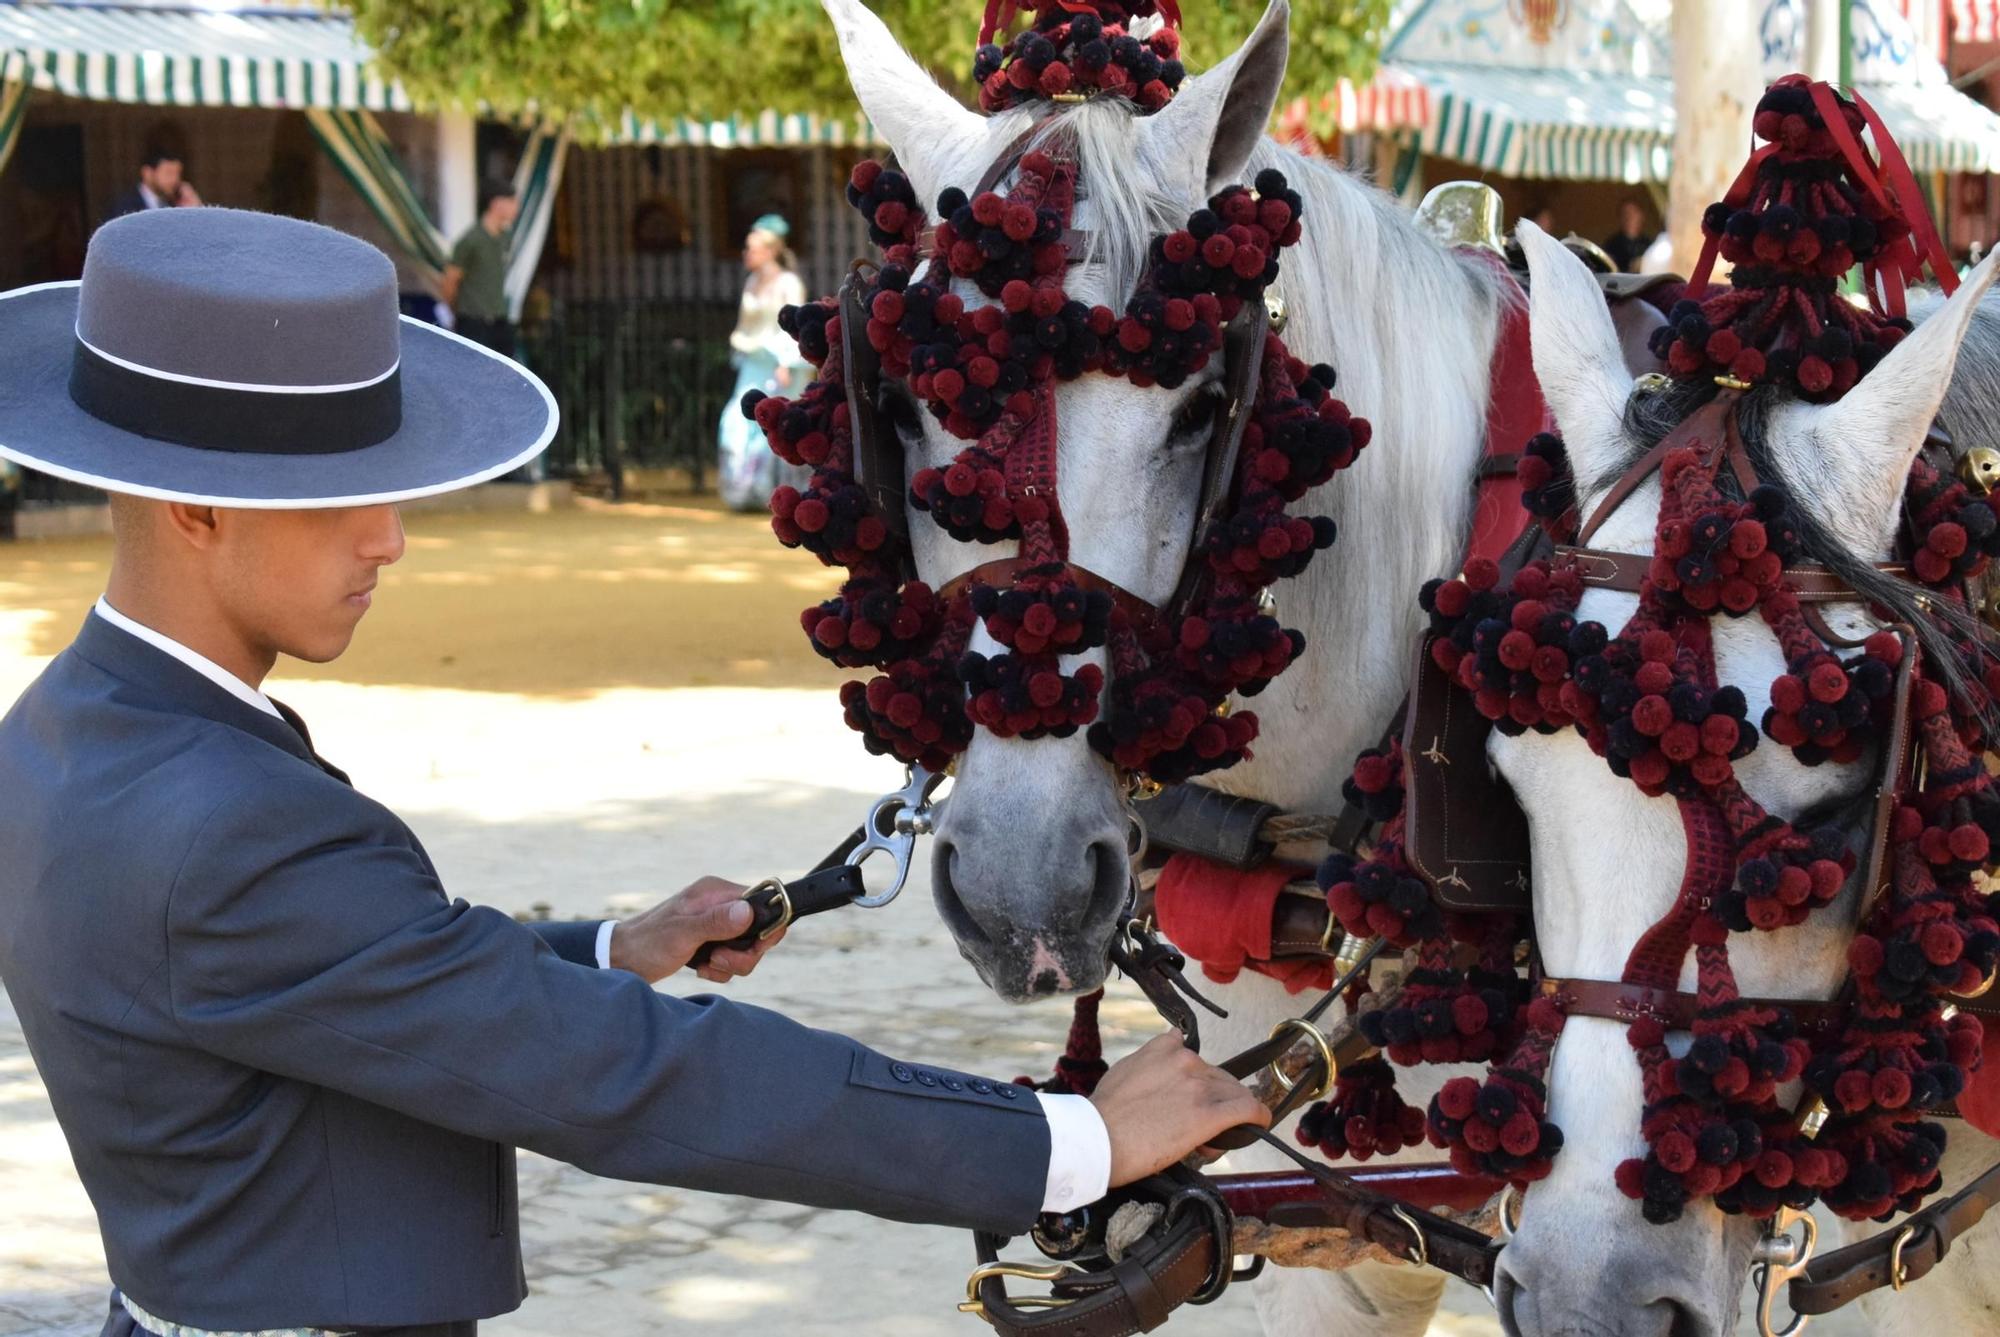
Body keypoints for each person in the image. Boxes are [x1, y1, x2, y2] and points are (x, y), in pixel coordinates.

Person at [0, 207, 1268, 1337]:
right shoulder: (227, 822)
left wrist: (610, 945)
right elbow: (633, 1078)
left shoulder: (72, 731)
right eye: (344, 492)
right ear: (196, 507)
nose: (390, 537)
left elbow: (331, 976)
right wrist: (1071, 1139)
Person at [718, 214, 813, 511]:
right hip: (753, 361)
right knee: (736, 420)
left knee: (774, 421)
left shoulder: (789, 283)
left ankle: (773, 492)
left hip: (780, 364)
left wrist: (784, 361)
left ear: (771, 250)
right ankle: (743, 490)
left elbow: (792, 323)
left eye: (753, 248)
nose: (747, 254)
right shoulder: (751, 281)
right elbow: (745, 327)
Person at [442, 179, 520, 357]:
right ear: (496, 203)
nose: (516, 207)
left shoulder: (505, 238)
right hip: (473, 323)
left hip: (500, 320)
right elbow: (450, 282)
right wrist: (459, 312)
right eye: (512, 201)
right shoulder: (471, 240)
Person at [102, 150, 200, 225]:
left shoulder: (175, 205)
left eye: (178, 173)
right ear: (147, 173)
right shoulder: (124, 206)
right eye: (169, 173)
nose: (175, 179)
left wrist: (194, 211)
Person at [1602, 197, 1657, 274]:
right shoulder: (1611, 245)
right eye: (1625, 213)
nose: (1629, 217)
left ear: (1641, 216)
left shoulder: (1650, 245)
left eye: (1633, 213)